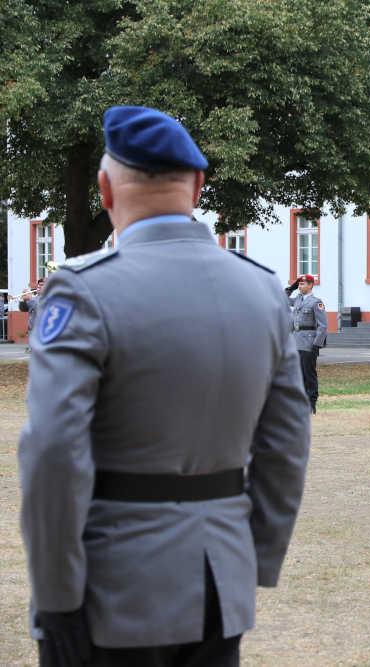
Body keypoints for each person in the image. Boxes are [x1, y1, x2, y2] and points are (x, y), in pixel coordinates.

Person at [18, 105, 310, 667]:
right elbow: (287, 443)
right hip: (220, 577)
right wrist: (252, 558)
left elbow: (54, 448)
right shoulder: (263, 289)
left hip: (110, 587)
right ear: (198, 185)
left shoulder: (82, 290)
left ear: (104, 189)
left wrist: (56, 597)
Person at [285, 274, 328, 414]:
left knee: (309, 373)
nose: (300, 286)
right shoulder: (297, 299)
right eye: (299, 284)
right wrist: (290, 288)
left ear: (310, 285)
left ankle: (311, 402)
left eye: (302, 284)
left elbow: (323, 326)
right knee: (298, 374)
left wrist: (317, 345)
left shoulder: (316, 302)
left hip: (309, 342)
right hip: (296, 340)